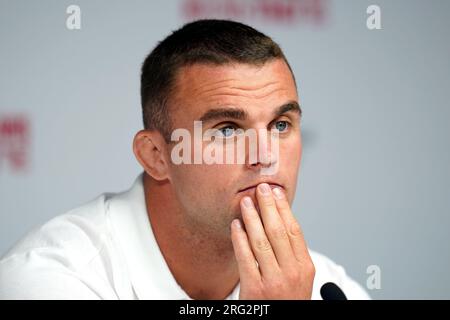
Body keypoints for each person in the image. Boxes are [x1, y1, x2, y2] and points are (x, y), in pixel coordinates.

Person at [0, 19, 369, 300]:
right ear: (156, 156)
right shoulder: (52, 280)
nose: (266, 157)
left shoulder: (326, 287)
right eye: (227, 130)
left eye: (281, 124)